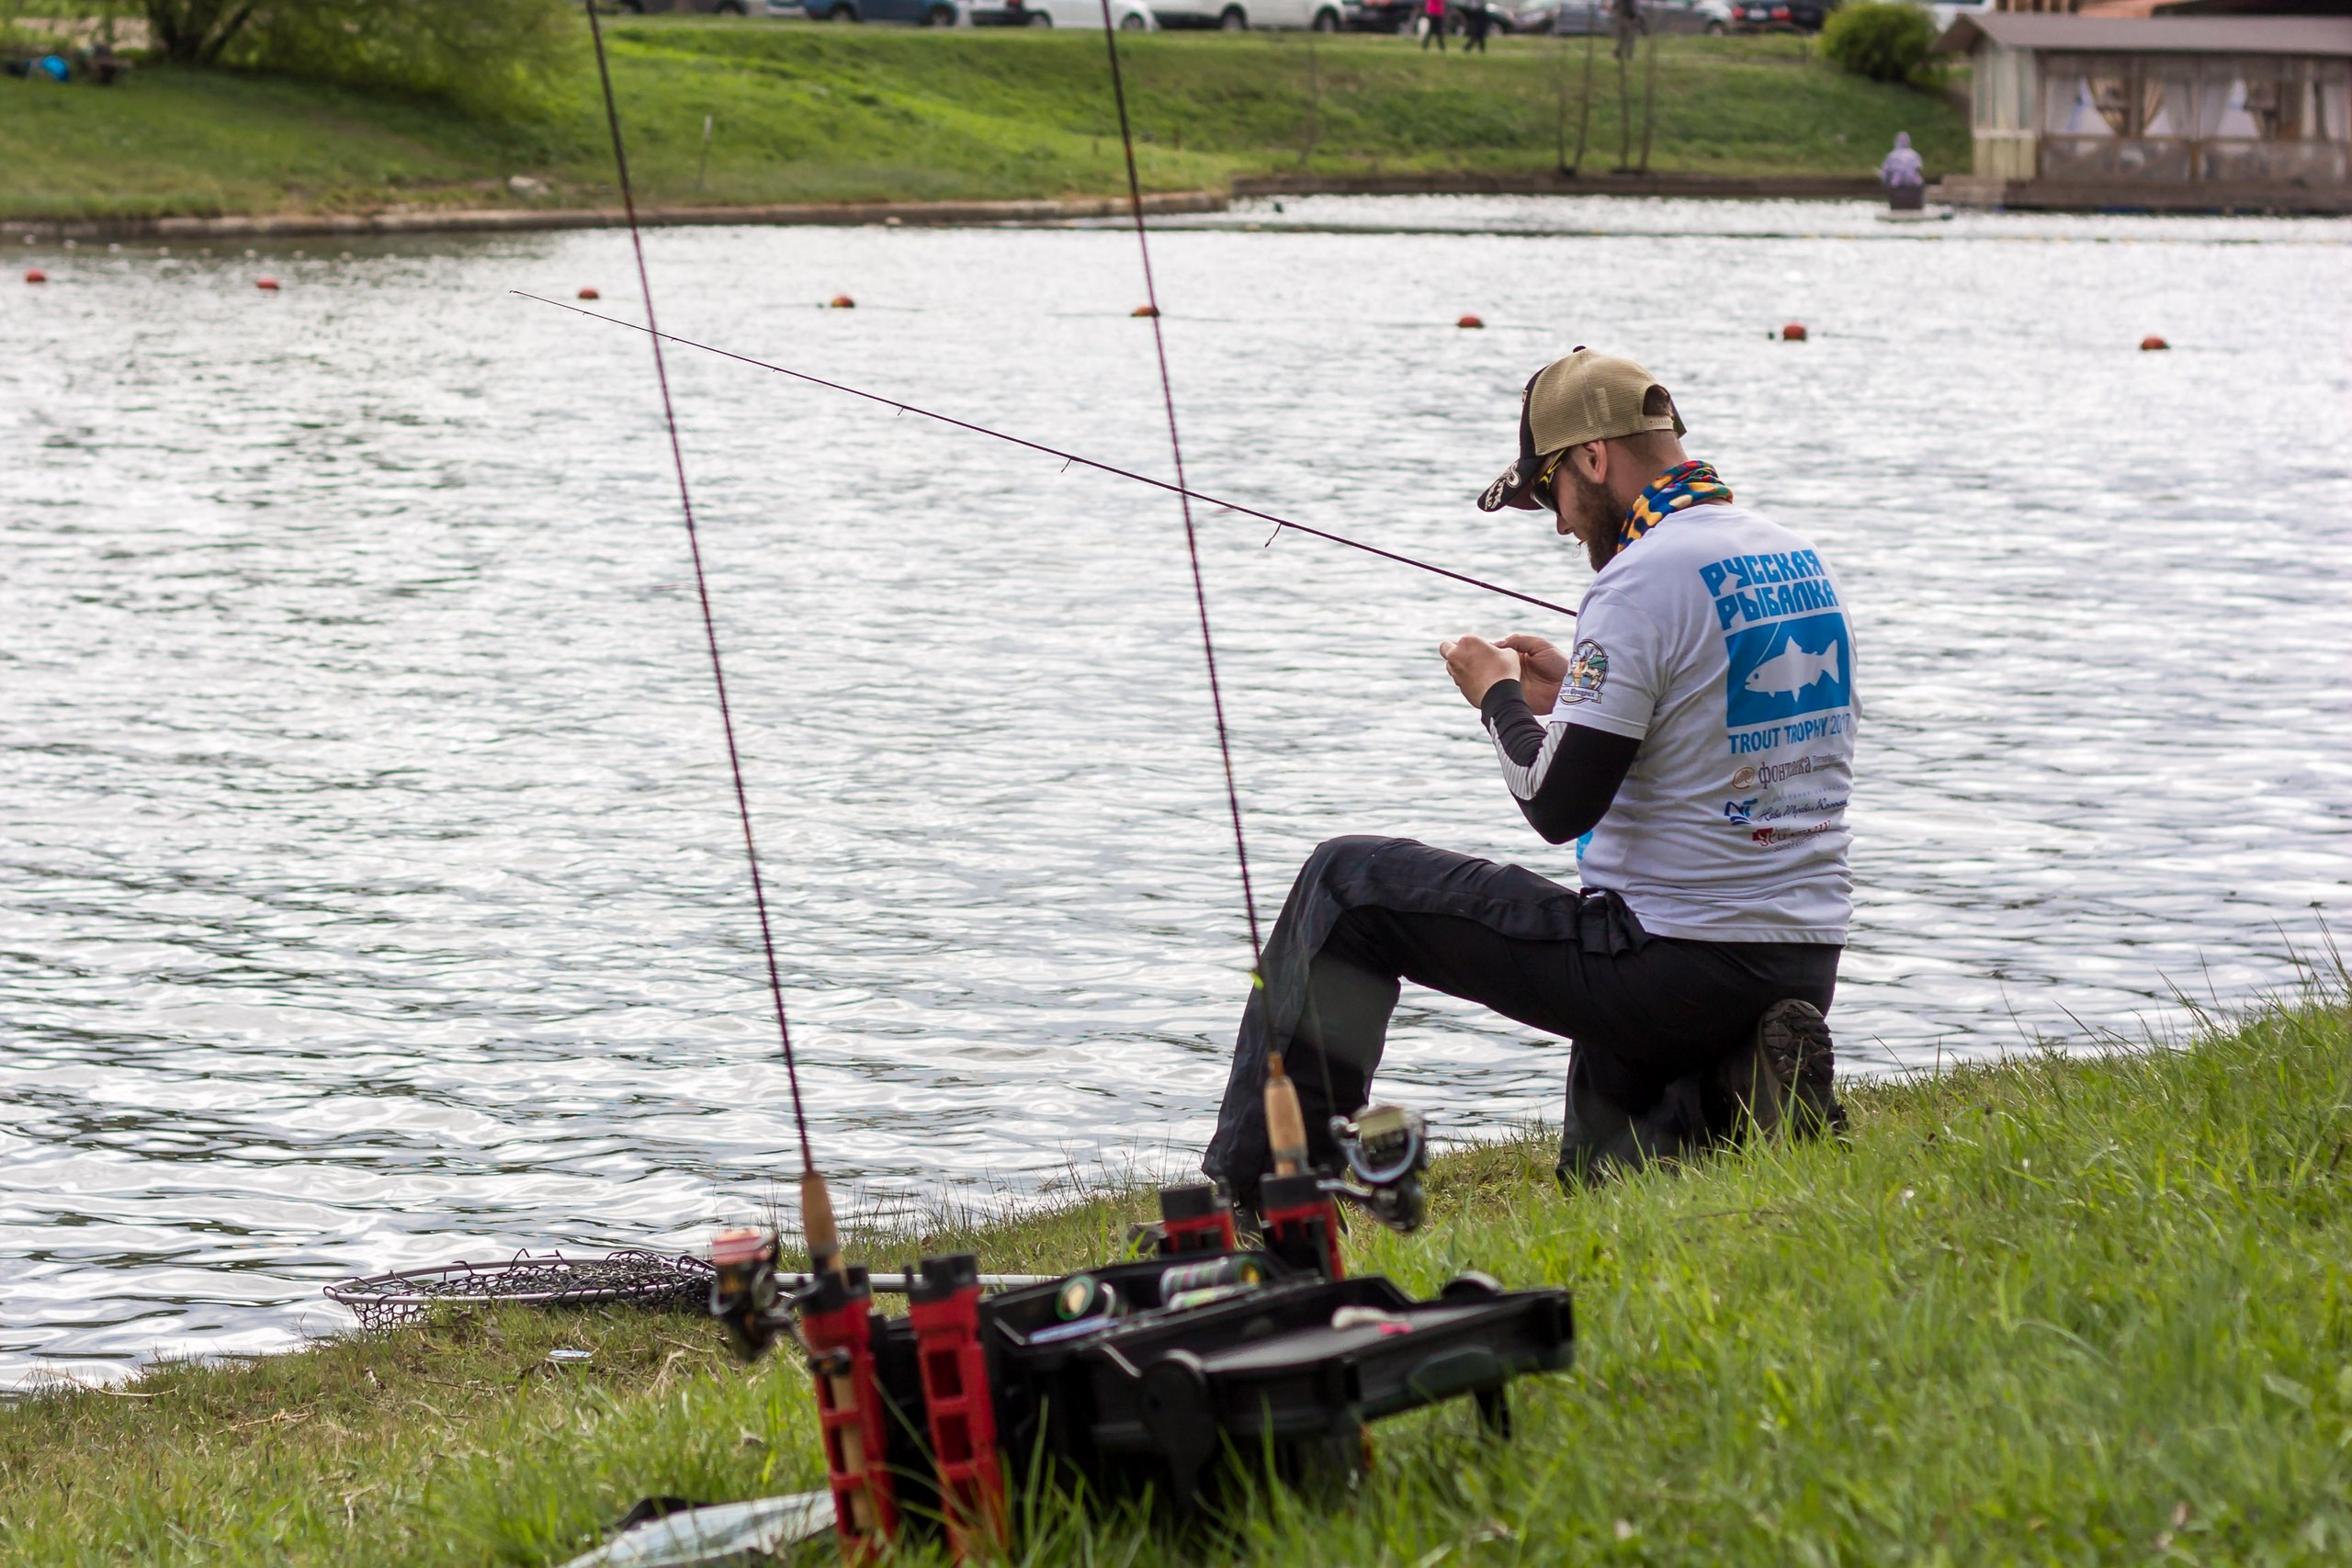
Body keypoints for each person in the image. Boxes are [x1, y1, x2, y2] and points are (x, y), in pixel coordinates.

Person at [1203, 348, 1857, 1213]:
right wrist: (1571, 694)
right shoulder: (1792, 556)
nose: (1558, 523)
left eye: (1551, 492)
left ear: (1592, 458)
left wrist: (1499, 697)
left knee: (1347, 883)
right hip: (1800, 962)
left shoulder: (1638, 582)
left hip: (1671, 966)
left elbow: (1555, 804)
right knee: (1607, 1180)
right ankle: (1747, 1088)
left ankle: (1260, 1199)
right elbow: (1714, 730)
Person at [1880, 130, 1926, 210]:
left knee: (1887, 180)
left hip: (1897, 187)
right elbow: (1919, 168)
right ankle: (1919, 205)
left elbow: (1885, 173)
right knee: (1920, 181)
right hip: (1914, 186)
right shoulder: (1914, 155)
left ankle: (1893, 203)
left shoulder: (1891, 155)